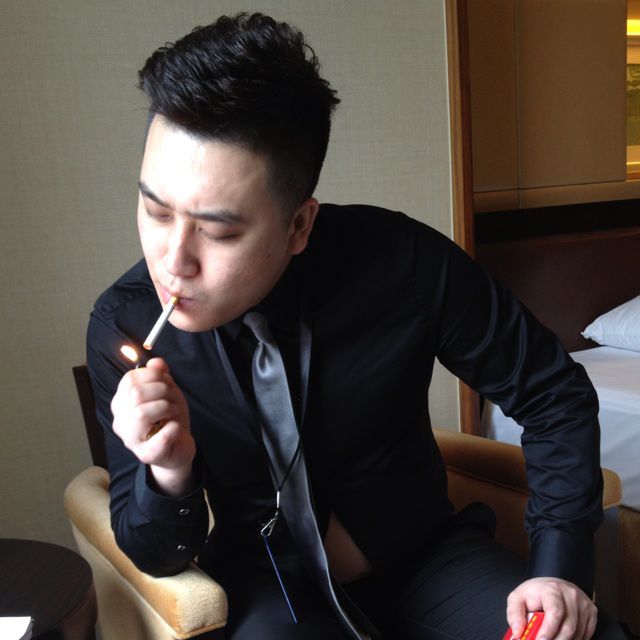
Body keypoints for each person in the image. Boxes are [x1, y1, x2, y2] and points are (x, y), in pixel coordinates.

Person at [86, 13, 623, 640]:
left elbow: (552, 394)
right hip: (268, 590)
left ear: (298, 225)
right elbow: (154, 555)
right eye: (155, 211)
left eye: (219, 231)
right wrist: (168, 473)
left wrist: (559, 567)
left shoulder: (404, 263)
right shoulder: (122, 321)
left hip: (426, 563)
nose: (173, 261)